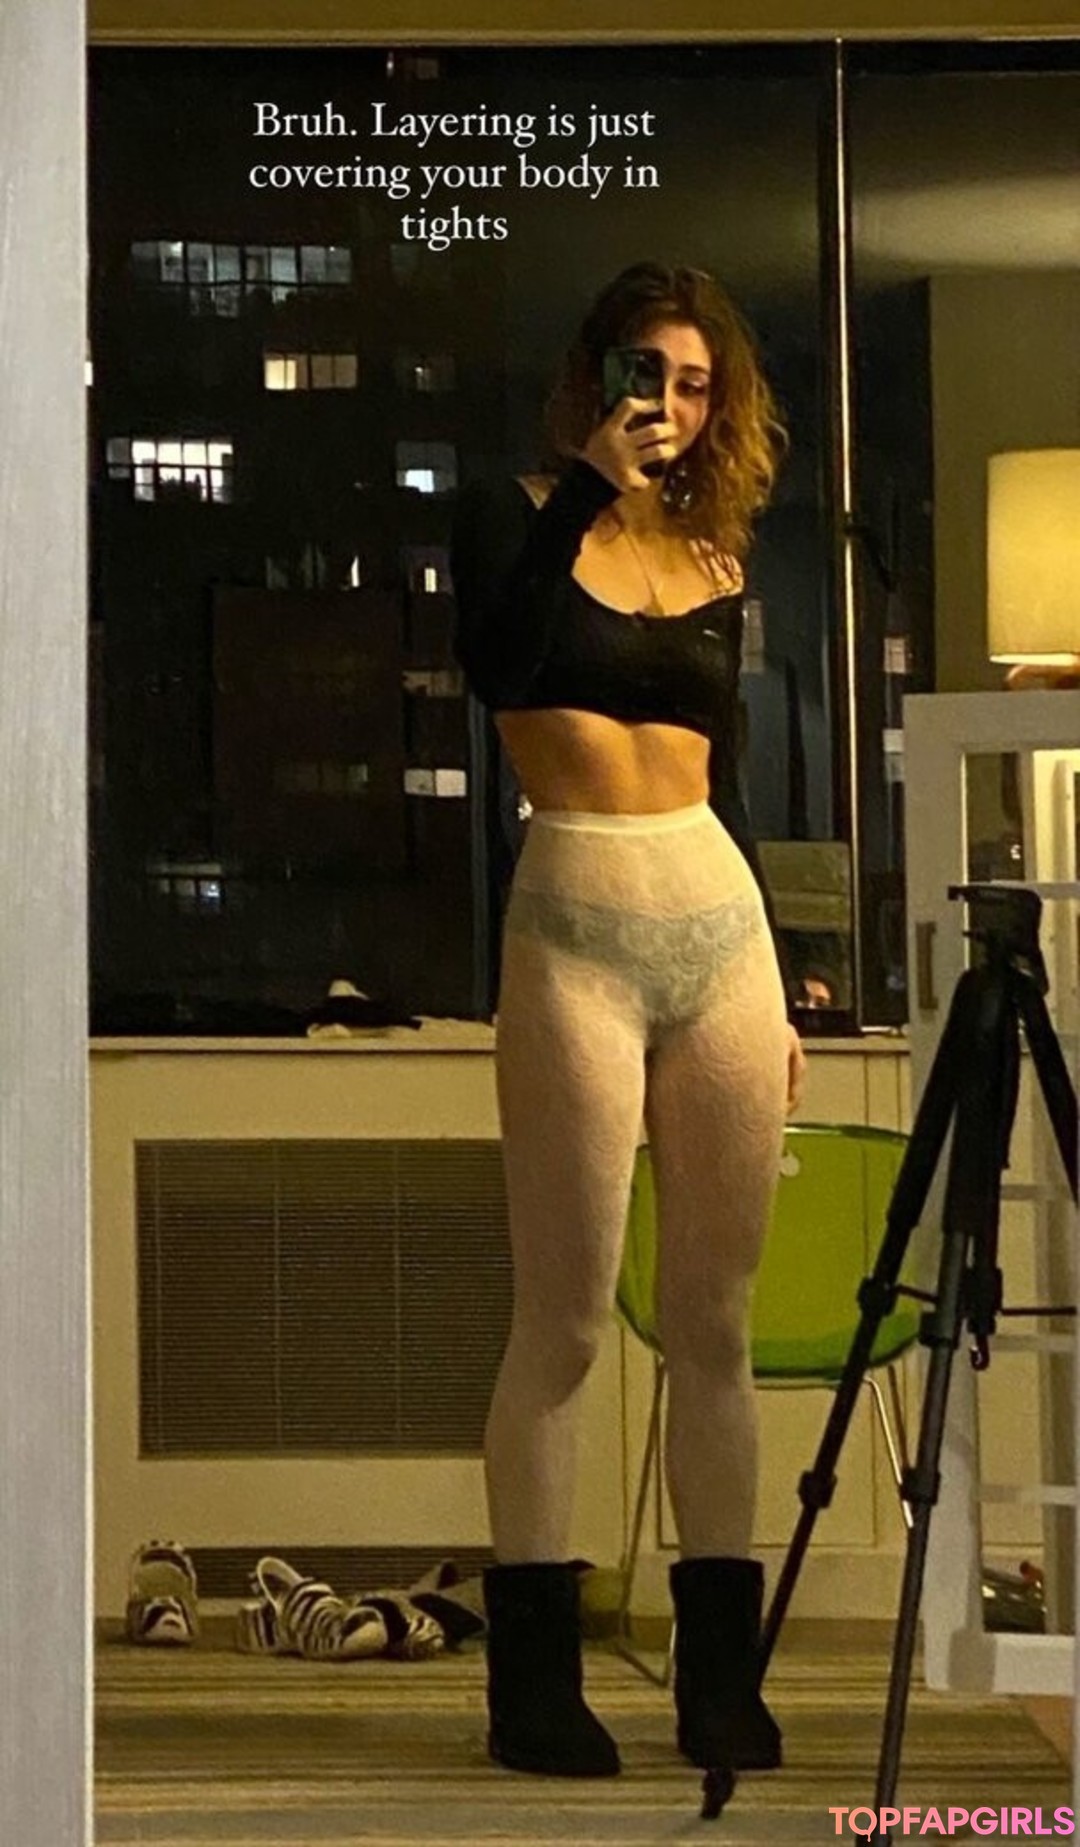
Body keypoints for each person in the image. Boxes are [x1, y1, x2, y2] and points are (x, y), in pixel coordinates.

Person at [450, 261, 805, 1782]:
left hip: (717, 925)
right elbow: (496, 663)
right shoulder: (515, 509)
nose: (672, 403)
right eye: (646, 372)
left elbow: (726, 768)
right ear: (595, 374)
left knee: (716, 1322)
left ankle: (719, 1683)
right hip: (574, 926)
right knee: (568, 1317)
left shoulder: (714, 554)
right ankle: (533, 1689)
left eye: (697, 382)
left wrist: (781, 987)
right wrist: (587, 489)